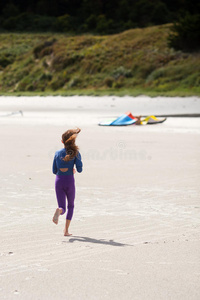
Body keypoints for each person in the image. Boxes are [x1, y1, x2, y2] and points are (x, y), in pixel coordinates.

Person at [52, 128, 83, 236]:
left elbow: (54, 170)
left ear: (62, 142)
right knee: (71, 206)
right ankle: (66, 230)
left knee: (63, 207)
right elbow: (80, 169)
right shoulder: (75, 153)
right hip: (69, 181)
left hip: (59, 181)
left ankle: (59, 211)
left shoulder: (57, 153)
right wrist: (72, 169)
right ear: (73, 142)